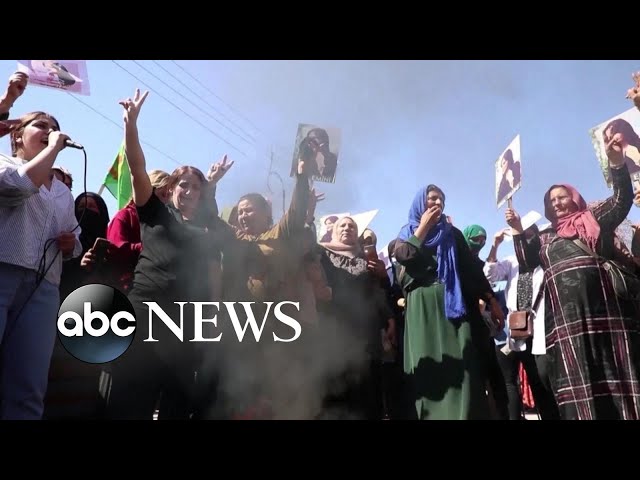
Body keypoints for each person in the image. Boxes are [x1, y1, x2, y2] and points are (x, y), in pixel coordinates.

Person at [507, 101, 640, 419]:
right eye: (551, 200)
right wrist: (517, 230)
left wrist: (616, 163)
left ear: (574, 197)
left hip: (605, 316)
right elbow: (526, 262)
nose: (557, 203)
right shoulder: (544, 238)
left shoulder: (595, 217)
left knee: (614, 378)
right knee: (578, 387)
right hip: (567, 327)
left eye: (562, 196)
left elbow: (622, 201)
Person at [105, 89, 224, 420]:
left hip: (185, 324)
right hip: (143, 314)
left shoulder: (208, 232)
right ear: (171, 189)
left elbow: (213, 279)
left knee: (176, 405)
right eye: (183, 184)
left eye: (196, 186)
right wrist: (131, 125)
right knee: (130, 403)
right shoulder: (153, 211)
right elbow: (137, 167)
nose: (188, 190)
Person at [0, 89, 82, 419]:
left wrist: (71, 244)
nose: (50, 131)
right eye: (41, 125)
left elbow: (76, 239)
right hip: (3, 271)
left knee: (29, 383)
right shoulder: (5, 163)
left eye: (54, 128)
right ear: (17, 135)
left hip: (44, 289)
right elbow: (19, 187)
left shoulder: (62, 191)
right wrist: (51, 150)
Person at [394, 184, 504, 420]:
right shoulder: (406, 233)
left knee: (463, 367)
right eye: (432, 198)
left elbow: (472, 271)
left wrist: (491, 300)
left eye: (441, 200)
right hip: (421, 307)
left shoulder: (452, 234)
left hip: (452, 304)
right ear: (420, 202)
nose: (437, 203)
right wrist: (424, 228)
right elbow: (405, 256)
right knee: (429, 368)